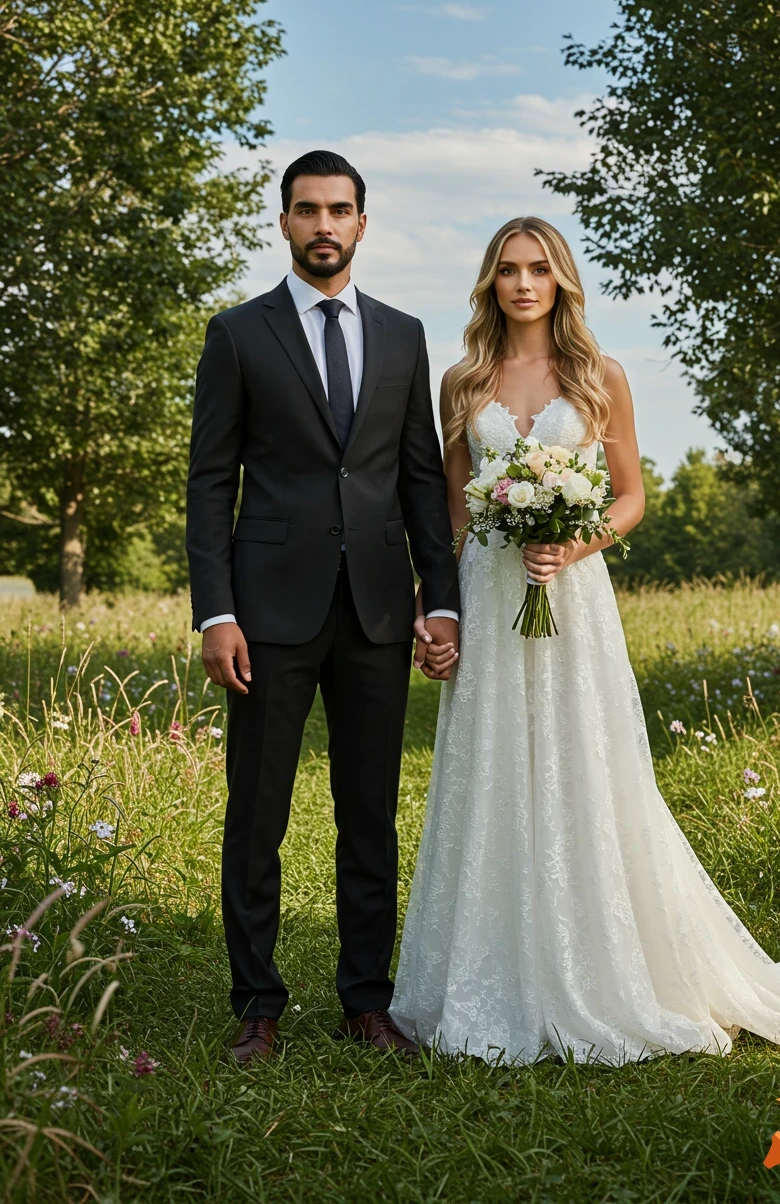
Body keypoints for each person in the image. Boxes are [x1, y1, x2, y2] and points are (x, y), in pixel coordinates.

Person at [392, 215, 780, 1065]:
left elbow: (629, 497)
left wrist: (573, 541)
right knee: (491, 770)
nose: (522, 284)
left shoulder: (598, 376)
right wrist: (432, 608)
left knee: (586, 769)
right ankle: (491, 972)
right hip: (487, 591)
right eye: (508, 270)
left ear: (560, 283)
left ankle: (605, 969)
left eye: (539, 270)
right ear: (489, 283)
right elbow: (451, 513)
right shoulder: (461, 381)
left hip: (571, 598)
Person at [186, 150, 459, 1064]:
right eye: (307, 210)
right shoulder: (238, 334)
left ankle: (366, 1001)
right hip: (265, 615)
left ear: (363, 224)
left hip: (379, 611)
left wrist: (445, 601)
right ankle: (258, 1007)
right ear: (285, 223)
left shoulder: (403, 334)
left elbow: (421, 479)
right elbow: (209, 481)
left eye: (339, 209)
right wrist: (214, 612)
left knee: (369, 811)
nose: (324, 225)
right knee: (256, 810)